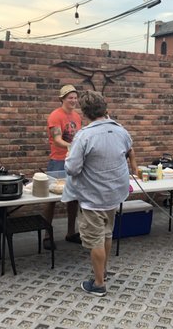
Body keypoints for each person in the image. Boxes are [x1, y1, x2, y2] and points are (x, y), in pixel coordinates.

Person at [62, 90, 133, 297]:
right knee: (107, 234)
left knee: (95, 240)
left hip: (93, 198)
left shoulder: (84, 136)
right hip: (113, 195)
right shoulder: (121, 131)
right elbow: (127, 152)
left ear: (85, 113)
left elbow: (72, 169)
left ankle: (99, 284)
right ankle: (103, 271)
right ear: (104, 108)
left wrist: (69, 156)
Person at [43, 84, 82, 249]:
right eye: (70, 98)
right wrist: (73, 147)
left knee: (73, 198)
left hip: (73, 160)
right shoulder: (55, 116)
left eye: (75, 97)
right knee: (51, 199)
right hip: (58, 161)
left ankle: (71, 233)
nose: (73, 100)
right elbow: (57, 139)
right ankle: (47, 236)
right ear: (62, 99)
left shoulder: (77, 116)